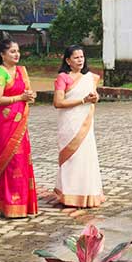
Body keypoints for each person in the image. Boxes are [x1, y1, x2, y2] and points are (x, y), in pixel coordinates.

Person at [0, 39, 38, 218]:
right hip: (5, 123)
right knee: (10, 162)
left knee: (23, 161)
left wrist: (30, 96)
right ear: (2, 54)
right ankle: (9, 205)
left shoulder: (21, 71)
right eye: (12, 51)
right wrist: (20, 98)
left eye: (17, 51)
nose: (16, 54)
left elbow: (29, 94)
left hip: (20, 123)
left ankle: (23, 204)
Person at [53, 45, 105, 208]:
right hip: (69, 123)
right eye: (76, 57)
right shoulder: (63, 78)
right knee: (71, 158)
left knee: (86, 156)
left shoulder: (89, 77)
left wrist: (95, 98)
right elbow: (58, 102)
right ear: (68, 61)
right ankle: (69, 195)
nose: (80, 60)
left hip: (85, 124)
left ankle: (88, 193)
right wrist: (83, 100)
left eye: (82, 57)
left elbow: (94, 97)